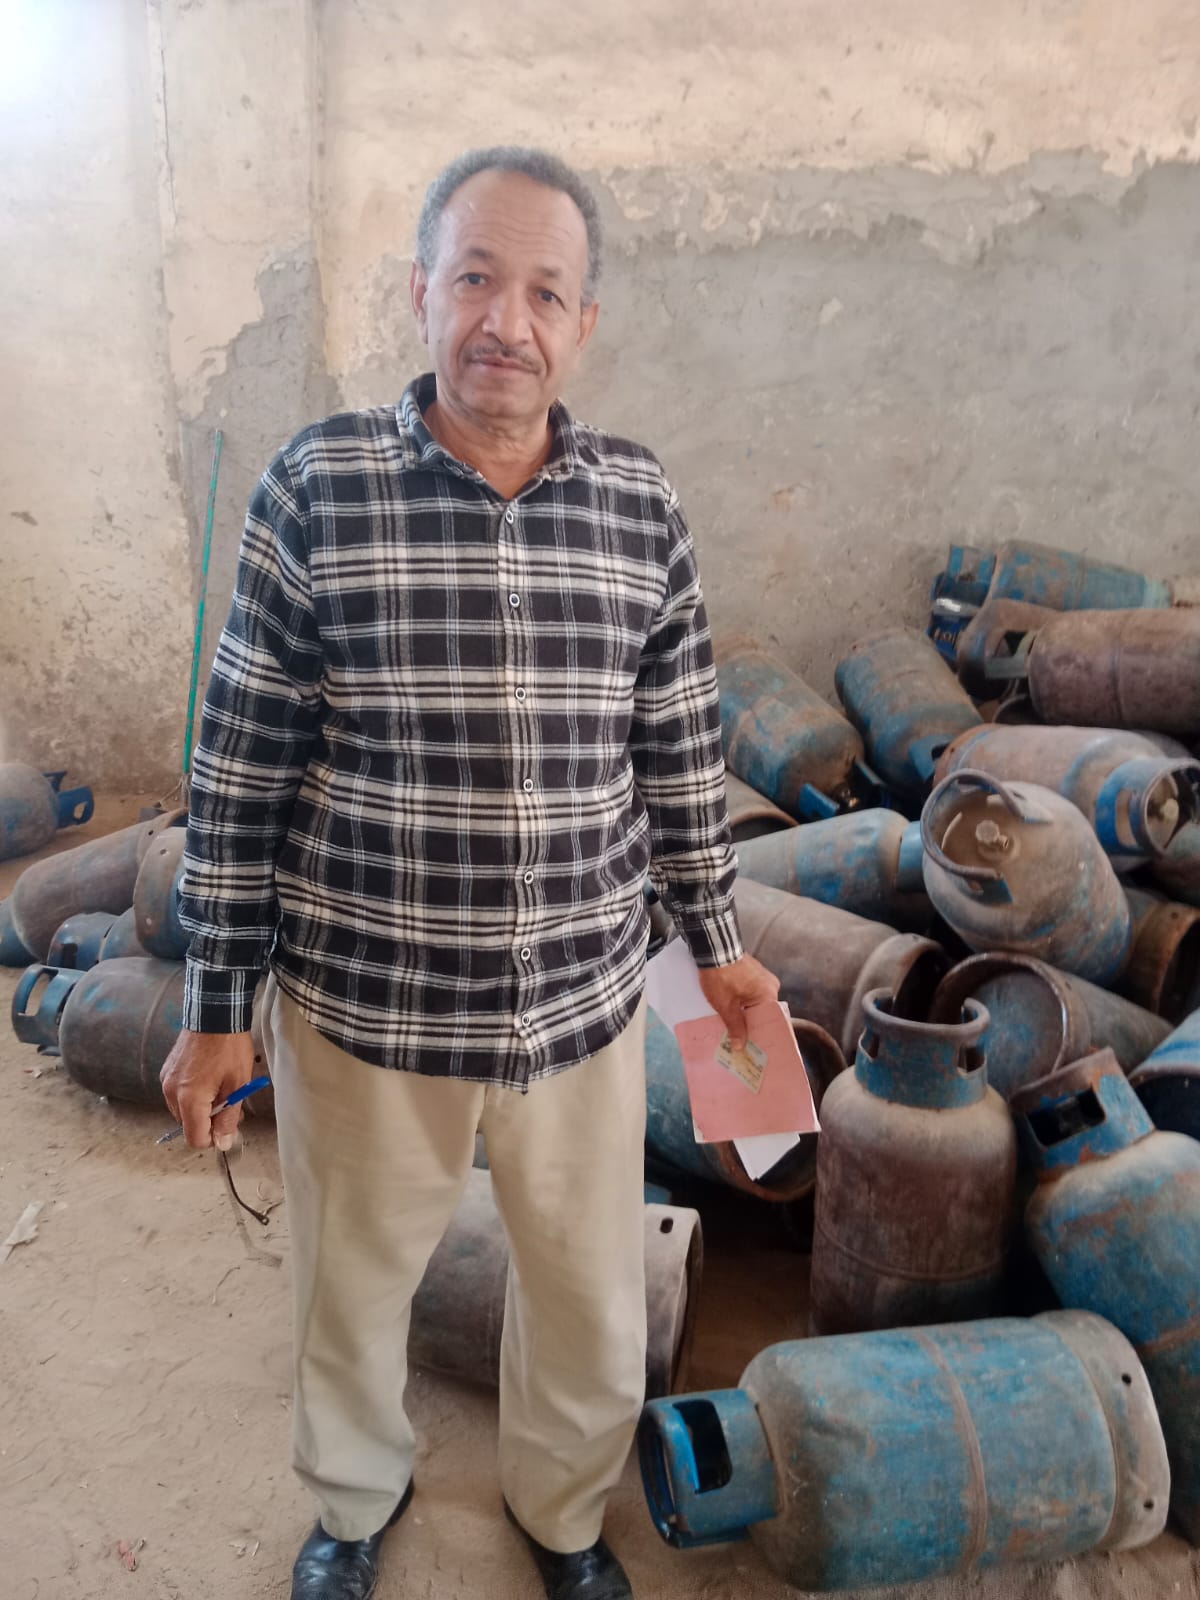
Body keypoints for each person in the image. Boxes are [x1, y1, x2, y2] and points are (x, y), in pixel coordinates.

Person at [161, 146, 778, 1600]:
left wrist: (721, 941)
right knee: (351, 1287)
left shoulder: (640, 506)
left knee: (586, 1295)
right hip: (368, 1000)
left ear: (584, 323)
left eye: (546, 291)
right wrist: (216, 1003)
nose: (508, 319)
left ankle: (562, 1516)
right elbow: (242, 763)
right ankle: (354, 1501)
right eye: (478, 278)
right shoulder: (320, 487)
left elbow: (679, 750)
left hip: (580, 1006)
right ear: (422, 291)